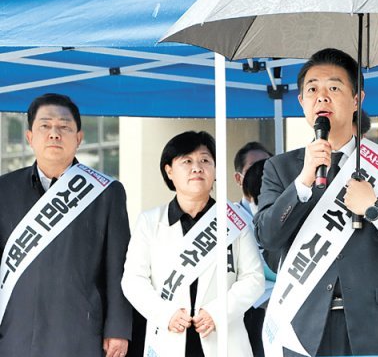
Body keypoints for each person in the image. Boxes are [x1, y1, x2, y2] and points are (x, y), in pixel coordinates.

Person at [254, 48, 378, 357]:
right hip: (302, 326)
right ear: (302, 103)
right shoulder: (281, 168)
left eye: (334, 87)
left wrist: (376, 210)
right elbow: (267, 237)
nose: (322, 97)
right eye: (312, 89)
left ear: (357, 99)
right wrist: (302, 184)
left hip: (373, 327)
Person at [0, 93, 131, 357]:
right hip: (16, 328)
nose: (54, 134)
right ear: (30, 137)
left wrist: (118, 329)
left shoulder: (106, 192)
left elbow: (118, 265)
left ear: (79, 138)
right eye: (45, 126)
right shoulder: (3, 189)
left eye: (64, 127)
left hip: (79, 330)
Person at [121, 131, 265, 357]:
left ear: (215, 170)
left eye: (205, 160)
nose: (197, 167)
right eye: (187, 161)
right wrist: (165, 313)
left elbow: (253, 278)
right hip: (169, 336)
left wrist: (217, 313)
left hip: (223, 338)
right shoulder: (150, 221)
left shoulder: (234, 220)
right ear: (169, 171)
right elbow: (133, 280)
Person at [233, 141, 274, 357]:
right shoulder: (229, 218)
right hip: (248, 314)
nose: (261, 173)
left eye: (268, 166)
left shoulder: (288, 210)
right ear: (239, 178)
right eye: (254, 168)